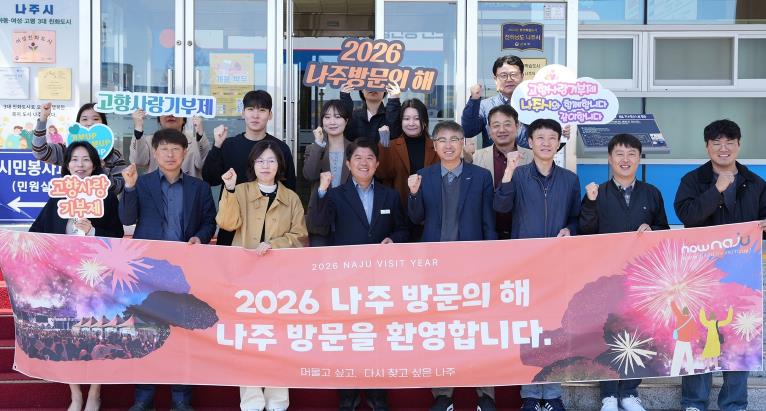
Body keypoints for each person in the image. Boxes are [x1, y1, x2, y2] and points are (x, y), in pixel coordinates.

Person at [119, 128, 216, 411]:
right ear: (155, 152)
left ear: (185, 153)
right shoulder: (142, 183)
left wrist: (200, 236)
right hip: (149, 272)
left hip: (184, 272)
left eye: (175, 149)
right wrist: (129, 188)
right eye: (164, 149)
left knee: (183, 335)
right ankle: (144, 397)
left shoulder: (199, 188)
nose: (170, 154)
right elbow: (127, 218)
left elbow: (209, 221)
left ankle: (181, 398)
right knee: (146, 332)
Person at [674, 119, 766, 411]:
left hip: (742, 277)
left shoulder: (755, 183)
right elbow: (688, 215)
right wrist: (716, 190)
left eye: (729, 142)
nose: (723, 148)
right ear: (707, 146)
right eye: (717, 143)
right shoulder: (693, 180)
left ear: (739, 145)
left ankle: (734, 403)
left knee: (739, 338)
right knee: (699, 336)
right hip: (701, 275)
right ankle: (693, 402)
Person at [308, 138, 407, 410]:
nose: (364, 163)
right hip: (345, 281)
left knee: (379, 338)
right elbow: (318, 225)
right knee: (348, 338)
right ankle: (348, 397)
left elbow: (403, 229)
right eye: (358, 158)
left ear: (377, 163)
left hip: (381, 282)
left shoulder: (389, 195)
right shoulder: (336, 194)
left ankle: (377, 396)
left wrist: (394, 240)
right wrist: (322, 192)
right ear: (349, 164)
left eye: (369, 158)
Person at [406, 121, 496, 411]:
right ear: (434, 145)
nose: (448, 145)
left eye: (454, 139)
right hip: (436, 267)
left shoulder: (480, 176)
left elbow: (488, 221)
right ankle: (443, 395)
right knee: (440, 330)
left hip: (473, 265)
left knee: (479, 330)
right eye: (442, 140)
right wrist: (413, 193)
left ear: (463, 143)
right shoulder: (424, 176)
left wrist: (493, 261)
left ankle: (486, 395)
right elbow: (416, 218)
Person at [578, 133, 670, 411]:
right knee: (608, 333)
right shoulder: (598, 193)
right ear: (609, 158)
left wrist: (652, 230)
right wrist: (590, 203)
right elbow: (585, 232)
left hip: (641, 279)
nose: (625, 159)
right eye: (619, 154)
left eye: (631, 154)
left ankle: (629, 392)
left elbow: (664, 231)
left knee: (638, 333)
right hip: (607, 276)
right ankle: (608, 394)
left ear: (639, 158)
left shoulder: (651, 193)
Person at [29, 140, 124, 411]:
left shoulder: (106, 197)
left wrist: (93, 231)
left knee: (98, 334)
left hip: (97, 277)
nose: (79, 165)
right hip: (64, 278)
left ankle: (95, 392)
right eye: (74, 159)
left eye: (85, 160)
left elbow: (117, 235)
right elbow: (36, 233)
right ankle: (75, 395)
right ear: (67, 165)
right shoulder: (58, 197)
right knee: (67, 335)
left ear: (95, 165)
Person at [494, 118, 580, 411]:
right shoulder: (519, 175)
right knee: (529, 330)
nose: (545, 143)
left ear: (558, 143)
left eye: (551, 138)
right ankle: (530, 395)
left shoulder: (569, 179)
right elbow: (500, 207)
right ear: (529, 142)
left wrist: (570, 229)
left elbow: (577, 217)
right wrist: (508, 172)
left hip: (557, 264)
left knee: (555, 329)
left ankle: (552, 395)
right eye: (539, 138)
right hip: (525, 264)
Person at [216, 140, 307, 411]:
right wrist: (229, 190)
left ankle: (278, 400)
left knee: (278, 338)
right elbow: (227, 223)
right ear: (252, 165)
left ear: (280, 166)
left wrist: (274, 244)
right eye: (260, 161)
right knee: (249, 337)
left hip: (280, 278)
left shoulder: (291, 197)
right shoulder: (240, 190)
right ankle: (252, 400)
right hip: (245, 277)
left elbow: (300, 236)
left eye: (271, 161)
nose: (265, 166)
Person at [202, 90, 296, 246]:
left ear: (270, 115)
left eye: (262, 110)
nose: (255, 115)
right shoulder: (228, 145)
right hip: (232, 223)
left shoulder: (280, 148)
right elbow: (210, 178)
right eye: (250, 109)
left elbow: (290, 189)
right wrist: (217, 145)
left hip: (269, 227)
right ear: (243, 113)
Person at [33, 102, 129, 195]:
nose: (89, 123)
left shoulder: (114, 155)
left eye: (95, 119)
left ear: (103, 123)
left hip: (102, 204)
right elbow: (40, 152)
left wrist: (102, 170)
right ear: (78, 123)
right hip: (72, 203)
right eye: (84, 119)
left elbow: (119, 188)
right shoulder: (67, 149)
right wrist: (43, 119)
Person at [469, 105, 532, 239]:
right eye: (496, 125)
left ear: (517, 126)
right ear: (489, 129)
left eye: (507, 124)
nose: (502, 130)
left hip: (524, 234)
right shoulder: (476, 158)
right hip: (487, 235)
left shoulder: (532, 157)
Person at [376, 83, 439, 207]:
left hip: (430, 208)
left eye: (416, 118)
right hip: (399, 208)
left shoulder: (436, 146)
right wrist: (383, 142)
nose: (411, 123)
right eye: (406, 119)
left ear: (424, 122)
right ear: (401, 122)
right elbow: (382, 173)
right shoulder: (392, 145)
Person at [302, 99, 352, 246]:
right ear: (322, 122)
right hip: (320, 218)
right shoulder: (314, 149)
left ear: (346, 121)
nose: (332, 122)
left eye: (337, 117)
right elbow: (309, 175)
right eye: (327, 117)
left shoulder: (355, 149)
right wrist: (318, 144)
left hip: (348, 217)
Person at [462, 55, 527, 149]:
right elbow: (468, 131)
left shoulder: (535, 105)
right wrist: (474, 100)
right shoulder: (484, 106)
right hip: (494, 158)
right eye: (503, 75)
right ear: (495, 79)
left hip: (528, 157)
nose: (509, 79)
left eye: (513, 74)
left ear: (522, 76)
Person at [130, 109, 210, 178]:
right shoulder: (149, 141)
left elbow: (203, 164)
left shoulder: (196, 142)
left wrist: (200, 132)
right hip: (155, 189)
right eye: (166, 111)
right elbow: (138, 161)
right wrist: (138, 127)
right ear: (159, 119)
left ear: (184, 119)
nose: (171, 115)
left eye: (176, 111)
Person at [699, 307, 733, 371]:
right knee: (715, 355)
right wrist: (730, 310)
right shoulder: (717, 323)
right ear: (715, 317)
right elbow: (728, 320)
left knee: (708, 355)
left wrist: (702, 310)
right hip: (716, 341)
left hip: (709, 341)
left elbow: (702, 319)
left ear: (710, 318)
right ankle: (716, 366)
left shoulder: (707, 323)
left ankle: (708, 368)